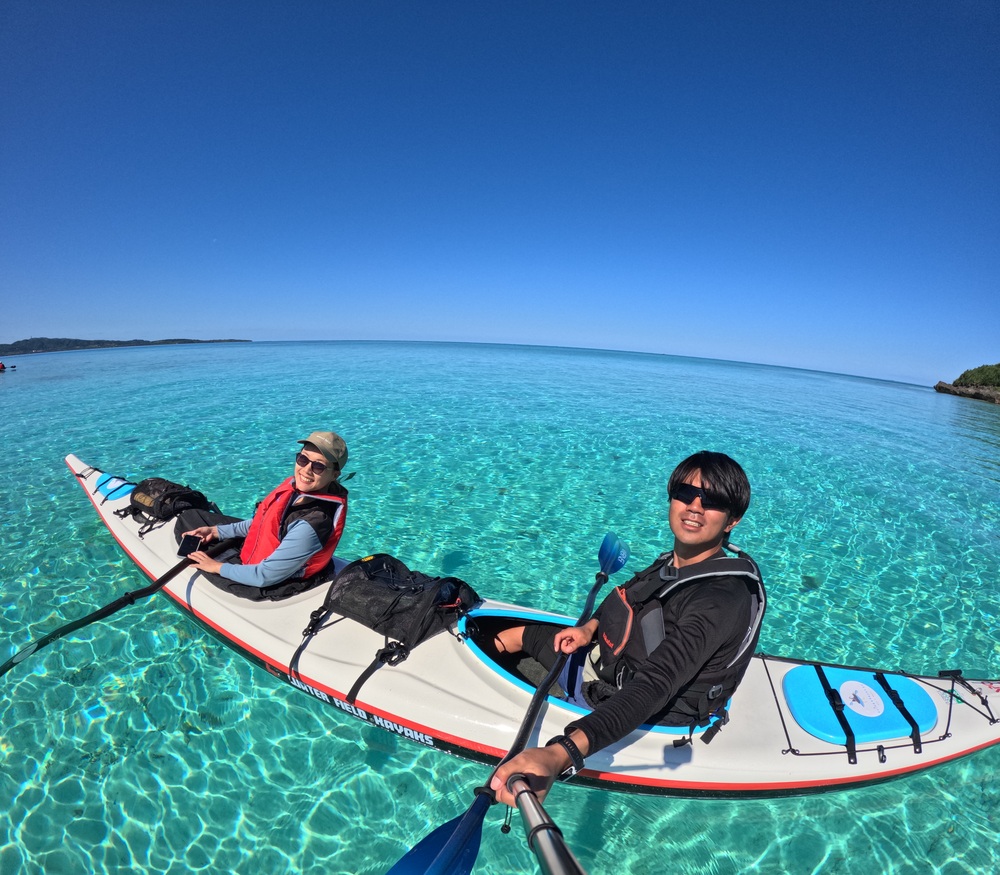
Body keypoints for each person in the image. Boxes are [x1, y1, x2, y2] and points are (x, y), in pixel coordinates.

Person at [490, 450, 766, 806]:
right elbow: (627, 595)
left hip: (639, 704)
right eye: (686, 493)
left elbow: (655, 686)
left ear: (732, 521)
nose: (695, 506)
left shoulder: (719, 599)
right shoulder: (675, 561)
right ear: (672, 498)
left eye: (712, 501)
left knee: (515, 639)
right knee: (515, 634)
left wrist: (561, 754)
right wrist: (590, 628)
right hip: (614, 662)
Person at [183, 431, 349, 594]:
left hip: (275, 580)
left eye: (318, 466)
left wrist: (216, 567)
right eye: (303, 459)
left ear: (335, 475)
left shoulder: (312, 524)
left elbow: (263, 576)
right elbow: (266, 522)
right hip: (256, 562)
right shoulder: (299, 492)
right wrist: (216, 531)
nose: (306, 470)